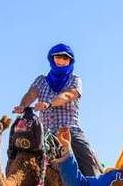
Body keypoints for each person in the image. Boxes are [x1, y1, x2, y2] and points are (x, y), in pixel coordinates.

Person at [13, 43, 102, 176]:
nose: (61, 61)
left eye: (65, 58)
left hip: (69, 132)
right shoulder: (41, 80)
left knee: (88, 158)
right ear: (52, 59)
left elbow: (68, 95)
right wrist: (23, 105)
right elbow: (31, 94)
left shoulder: (75, 80)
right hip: (44, 136)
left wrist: (48, 103)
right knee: (18, 155)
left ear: (70, 62)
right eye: (58, 57)